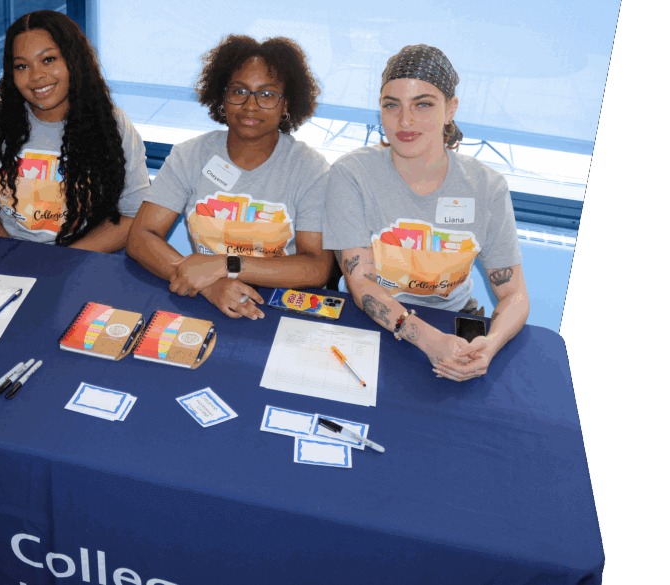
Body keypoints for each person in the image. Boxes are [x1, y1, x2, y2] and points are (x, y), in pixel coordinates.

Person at [322, 44, 529, 382]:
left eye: (423, 105)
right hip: (368, 319)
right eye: (393, 105)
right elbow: (360, 281)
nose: (405, 121)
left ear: (450, 109)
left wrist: (488, 345)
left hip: (452, 319)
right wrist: (428, 339)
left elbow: (514, 294)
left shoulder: (486, 187)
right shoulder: (351, 174)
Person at [127, 35, 332, 319]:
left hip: (275, 303)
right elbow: (141, 236)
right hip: (201, 297)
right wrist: (211, 285)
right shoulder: (190, 155)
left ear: (287, 105)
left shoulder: (310, 168)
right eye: (239, 91)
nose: (250, 105)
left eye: (268, 94)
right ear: (222, 97)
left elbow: (317, 268)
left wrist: (227, 265)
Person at [0, 10, 149, 252]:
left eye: (48, 60)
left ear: (73, 60)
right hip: (8, 259)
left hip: (81, 260)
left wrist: (66, 261)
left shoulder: (112, 125)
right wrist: (8, 255)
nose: (36, 76)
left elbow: (133, 214)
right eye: (22, 65)